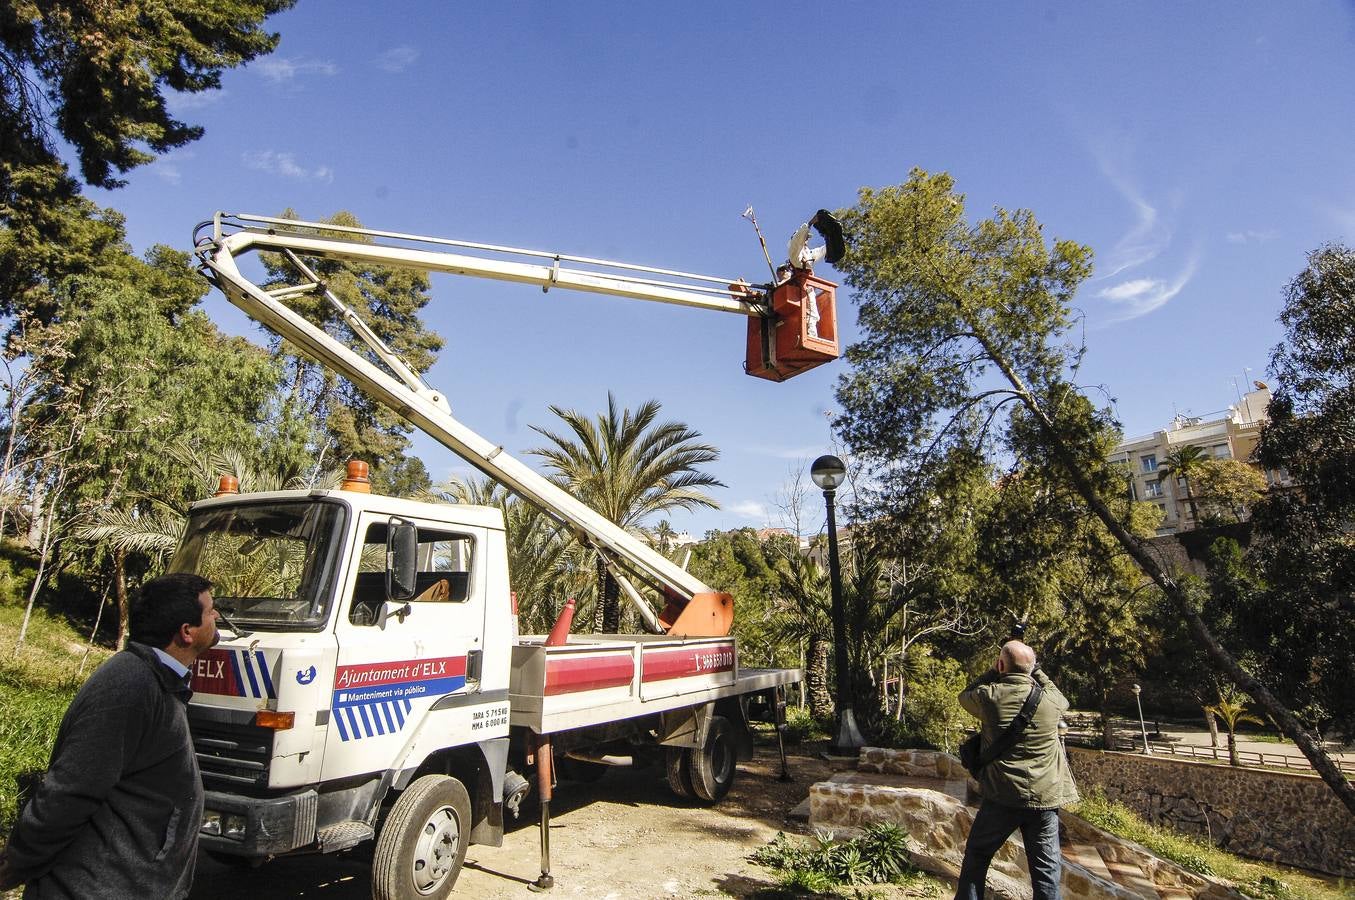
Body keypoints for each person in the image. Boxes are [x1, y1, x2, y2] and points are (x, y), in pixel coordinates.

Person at [0, 573, 219, 899]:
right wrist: (13, 867)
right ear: (186, 632)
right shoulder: (130, 686)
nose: (217, 616)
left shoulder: (157, 682)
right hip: (93, 888)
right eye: (210, 611)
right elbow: (70, 791)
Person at [954, 640, 1078, 900]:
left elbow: (965, 695)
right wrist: (1037, 670)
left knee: (977, 855)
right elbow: (1061, 696)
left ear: (1001, 665)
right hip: (1044, 800)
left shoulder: (989, 697)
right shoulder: (1051, 701)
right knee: (1046, 869)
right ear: (1031, 669)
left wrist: (992, 671)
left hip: (1002, 796)